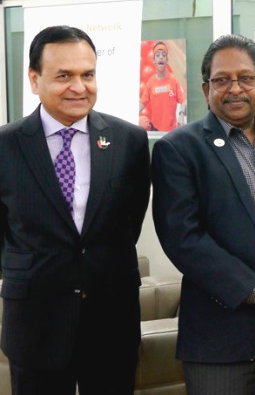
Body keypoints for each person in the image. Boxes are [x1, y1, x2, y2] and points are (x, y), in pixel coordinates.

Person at [151, 34, 255, 394]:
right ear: (205, 88)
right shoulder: (178, 149)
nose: (235, 89)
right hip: (220, 338)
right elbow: (183, 238)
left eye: (246, 78)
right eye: (221, 80)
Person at [0, 26, 151, 395]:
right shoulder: (5, 146)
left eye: (88, 75)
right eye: (63, 76)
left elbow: (129, 223)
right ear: (34, 79)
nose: (79, 87)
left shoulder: (128, 141)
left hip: (111, 321)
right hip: (36, 324)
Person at [140, 41, 186, 131]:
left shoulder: (173, 80)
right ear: (154, 60)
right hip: (155, 130)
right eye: (157, 55)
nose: (161, 57)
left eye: (163, 55)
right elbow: (142, 103)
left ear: (167, 60)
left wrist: (181, 116)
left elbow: (182, 101)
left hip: (171, 130)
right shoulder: (151, 82)